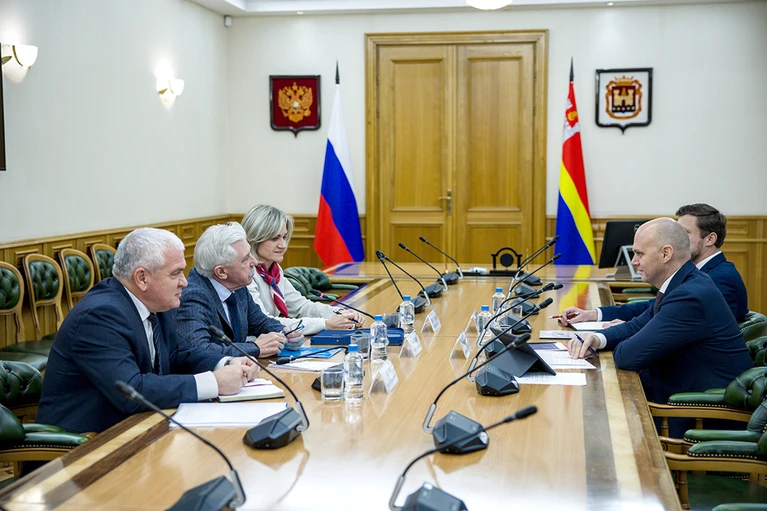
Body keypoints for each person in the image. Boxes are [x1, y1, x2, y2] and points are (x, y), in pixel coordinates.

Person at [36, 228, 259, 434]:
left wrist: (226, 363)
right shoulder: (100, 315)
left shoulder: (153, 302)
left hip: (138, 428)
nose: (184, 282)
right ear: (142, 278)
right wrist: (214, 383)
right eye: (175, 274)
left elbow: (178, 354)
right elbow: (131, 391)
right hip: (85, 447)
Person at [568, 219, 753, 435]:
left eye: (639, 253)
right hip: (680, 395)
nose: (634, 261)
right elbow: (636, 325)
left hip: (706, 416)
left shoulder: (690, 295)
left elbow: (627, 356)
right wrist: (596, 338)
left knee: (597, 417)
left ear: (666, 254)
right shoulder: (684, 283)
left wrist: (626, 340)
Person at [560, 203, 748, 326]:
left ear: (710, 239)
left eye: (684, 233)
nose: (677, 239)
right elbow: (654, 307)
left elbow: (688, 327)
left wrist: (631, 329)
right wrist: (595, 314)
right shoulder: (693, 271)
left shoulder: (722, 278)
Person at [174, 222, 304, 358]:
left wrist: (285, 333)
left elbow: (260, 322)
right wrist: (255, 348)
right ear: (221, 272)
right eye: (246, 258)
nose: (255, 262)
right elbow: (199, 350)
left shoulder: (237, 285)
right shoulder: (194, 297)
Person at [241, 204, 362, 336]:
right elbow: (266, 323)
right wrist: (325, 324)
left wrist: (340, 313)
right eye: (275, 238)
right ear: (255, 239)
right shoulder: (245, 275)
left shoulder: (274, 271)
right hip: (254, 343)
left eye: (284, 237)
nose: (283, 245)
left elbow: (301, 307)